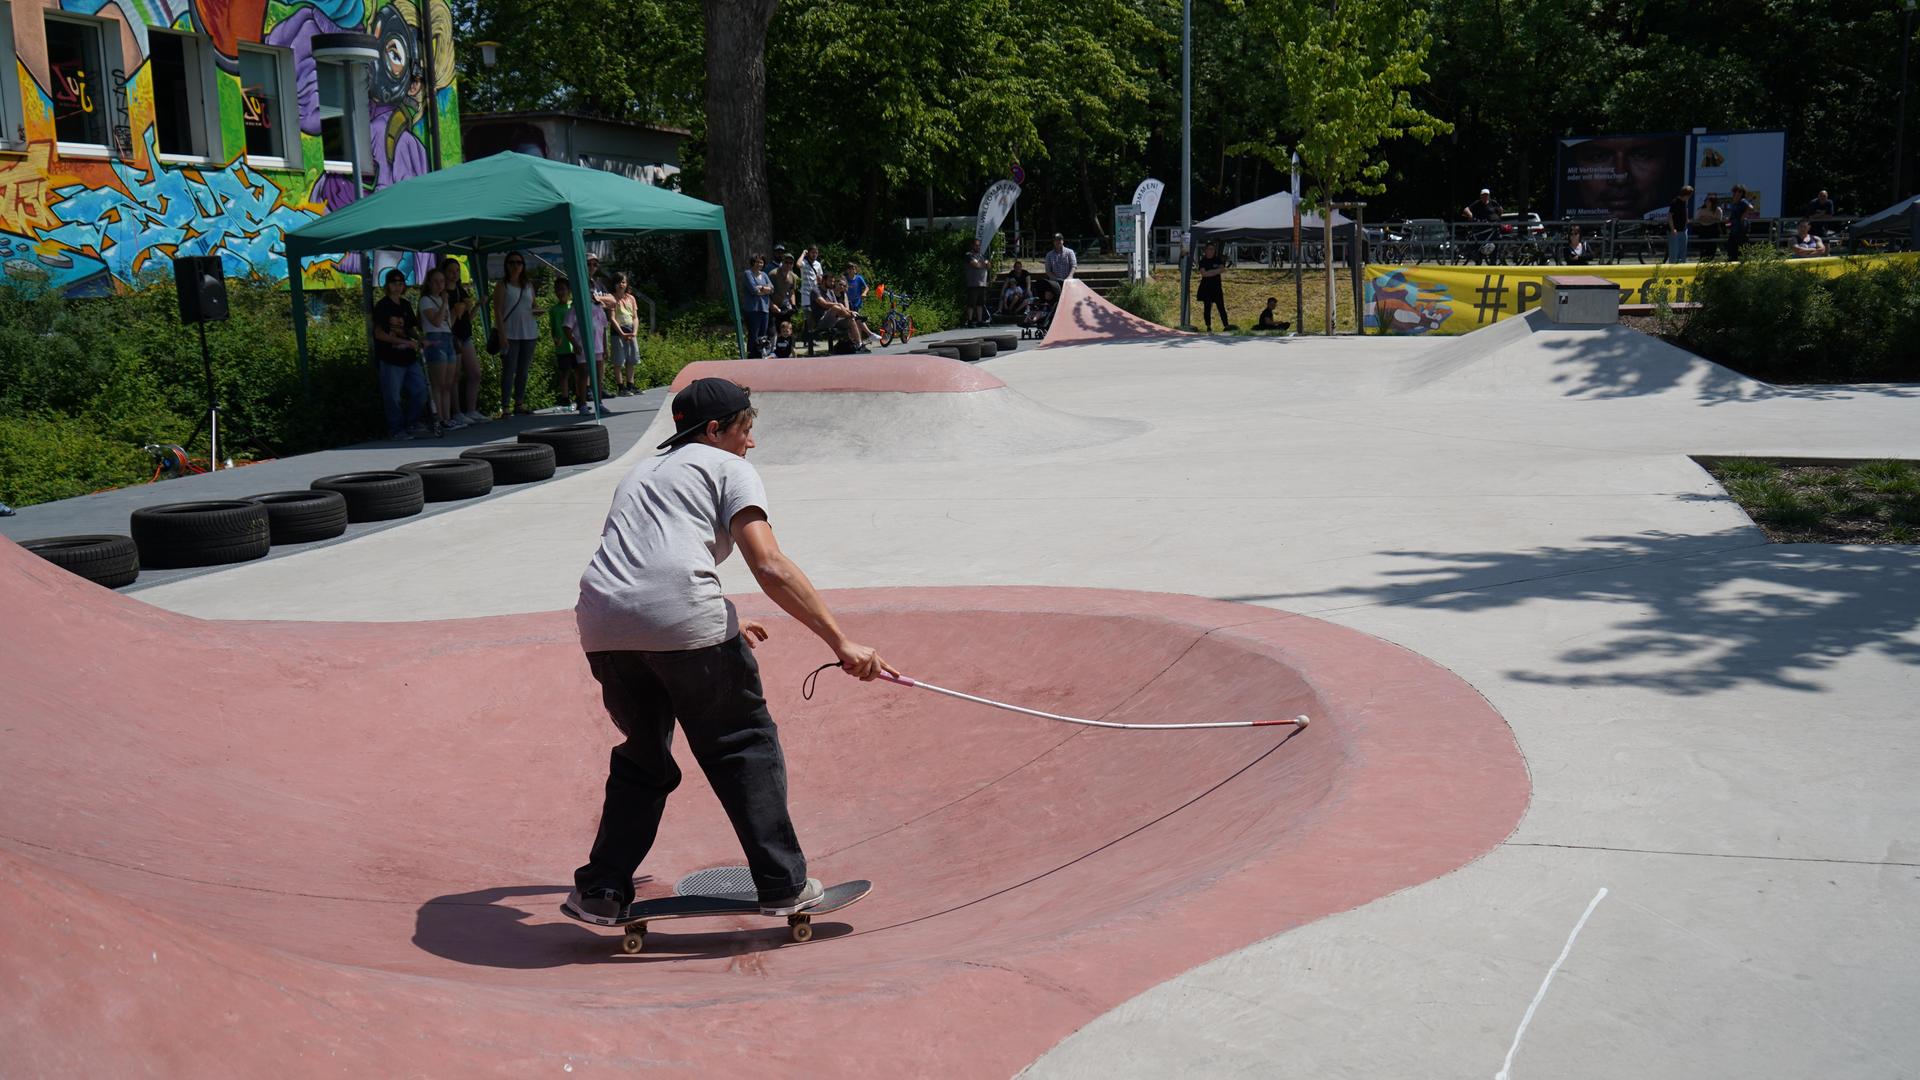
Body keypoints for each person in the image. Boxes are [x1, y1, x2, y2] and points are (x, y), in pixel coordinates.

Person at [565, 377, 897, 926]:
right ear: (715, 430)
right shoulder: (727, 467)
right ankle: (782, 884)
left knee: (644, 757)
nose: (752, 443)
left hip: (603, 625)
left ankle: (600, 889)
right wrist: (841, 642)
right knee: (743, 745)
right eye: (746, 429)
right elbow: (768, 564)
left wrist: (717, 625)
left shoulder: (639, 472)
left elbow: (651, 560)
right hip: (681, 623)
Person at [371, 268, 429, 440]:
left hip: (409, 357)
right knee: (393, 396)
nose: (397, 287)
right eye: (393, 283)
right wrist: (404, 342)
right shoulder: (382, 306)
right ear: (387, 286)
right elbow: (379, 334)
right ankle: (396, 429)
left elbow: (409, 327)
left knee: (420, 390)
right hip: (390, 358)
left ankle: (412, 422)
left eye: (400, 283)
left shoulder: (405, 305)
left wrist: (419, 339)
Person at [417, 267, 465, 431]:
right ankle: (439, 418)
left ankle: (447, 416)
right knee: (438, 383)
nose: (439, 285)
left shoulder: (441, 300)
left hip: (447, 337)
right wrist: (445, 302)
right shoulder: (426, 300)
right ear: (429, 283)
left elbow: (448, 322)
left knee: (448, 382)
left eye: (442, 282)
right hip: (435, 339)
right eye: (436, 281)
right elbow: (436, 322)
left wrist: (454, 310)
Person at [492, 251, 538, 416]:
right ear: (506, 265)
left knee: (523, 371)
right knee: (508, 371)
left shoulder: (528, 285)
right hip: (510, 333)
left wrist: (537, 310)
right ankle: (505, 406)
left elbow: (534, 305)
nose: (515, 266)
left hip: (529, 332)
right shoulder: (502, 285)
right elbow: (497, 311)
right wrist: (502, 335)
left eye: (519, 262)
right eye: (512, 262)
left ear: (523, 266)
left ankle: (519, 403)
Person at [445, 261, 487, 425]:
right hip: (452, 337)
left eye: (457, 270)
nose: (454, 274)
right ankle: (456, 412)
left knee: (475, 373)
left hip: (465, 335)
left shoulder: (460, 291)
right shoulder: (444, 294)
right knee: (454, 376)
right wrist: (455, 310)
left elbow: (467, 319)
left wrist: (477, 305)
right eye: (450, 271)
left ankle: (471, 409)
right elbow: (447, 321)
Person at [548, 276, 588, 414]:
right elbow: (553, 328)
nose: (560, 292)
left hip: (576, 345)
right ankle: (565, 398)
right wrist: (555, 339)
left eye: (563, 289)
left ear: (569, 291)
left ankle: (580, 396)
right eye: (557, 289)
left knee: (579, 372)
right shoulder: (554, 310)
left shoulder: (573, 306)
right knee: (564, 372)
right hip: (563, 346)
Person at [607, 273, 640, 399]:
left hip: (631, 331)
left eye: (624, 282)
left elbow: (635, 317)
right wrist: (621, 333)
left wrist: (635, 331)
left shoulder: (631, 298)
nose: (621, 285)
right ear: (614, 284)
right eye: (619, 282)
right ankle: (621, 387)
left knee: (632, 359)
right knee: (619, 361)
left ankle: (630, 385)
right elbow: (612, 318)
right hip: (618, 332)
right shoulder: (612, 298)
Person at [1194, 240, 1229, 332]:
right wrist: (1215, 271)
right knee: (1207, 308)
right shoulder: (1203, 261)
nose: (1211, 251)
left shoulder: (1217, 259)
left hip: (1217, 288)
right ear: (1205, 250)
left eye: (1213, 249)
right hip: (1206, 288)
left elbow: (1222, 269)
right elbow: (1203, 273)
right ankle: (1208, 326)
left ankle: (1226, 325)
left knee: (1221, 307)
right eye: (1209, 249)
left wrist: (1210, 272)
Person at [743, 256, 774, 358]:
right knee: (753, 334)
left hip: (764, 309)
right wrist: (766, 290)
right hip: (752, 309)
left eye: (761, 262)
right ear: (753, 263)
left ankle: (760, 354)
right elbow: (753, 290)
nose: (759, 264)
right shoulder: (748, 273)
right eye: (757, 262)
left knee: (763, 335)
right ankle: (751, 356)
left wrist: (761, 288)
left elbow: (772, 289)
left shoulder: (764, 275)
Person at [798, 245, 822, 356]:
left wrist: (820, 280)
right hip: (806, 295)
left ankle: (810, 339)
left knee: (813, 317)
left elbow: (820, 279)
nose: (814, 254)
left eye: (816, 253)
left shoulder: (818, 265)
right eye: (812, 252)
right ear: (809, 253)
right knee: (808, 317)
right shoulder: (804, 262)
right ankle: (808, 340)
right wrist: (803, 253)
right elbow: (797, 264)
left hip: (815, 295)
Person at [1041, 233, 1076, 306]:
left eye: (1059, 240)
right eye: (1056, 240)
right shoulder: (1049, 255)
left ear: (1063, 241)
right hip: (1054, 282)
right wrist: (1055, 280)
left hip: (1067, 280)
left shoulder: (1070, 252)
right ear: (1053, 242)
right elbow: (1048, 270)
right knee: (1048, 295)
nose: (1058, 242)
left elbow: (1074, 266)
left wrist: (1070, 276)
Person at [964, 239, 991, 327]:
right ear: (972, 246)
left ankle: (980, 321)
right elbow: (976, 265)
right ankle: (970, 320)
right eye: (976, 245)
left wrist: (984, 263)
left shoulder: (982, 255)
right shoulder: (969, 255)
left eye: (979, 245)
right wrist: (984, 264)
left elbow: (989, 266)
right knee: (971, 303)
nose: (978, 247)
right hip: (973, 283)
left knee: (980, 303)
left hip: (982, 283)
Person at [1726, 185, 1756, 260]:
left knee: (1742, 251)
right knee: (1731, 250)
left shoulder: (1743, 201)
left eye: (1740, 192)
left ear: (1742, 193)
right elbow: (1732, 216)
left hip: (1741, 229)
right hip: (1733, 229)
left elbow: (1751, 208)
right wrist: (1728, 222)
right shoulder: (1734, 203)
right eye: (1736, 191)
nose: (1737, 193)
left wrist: (1744, 215)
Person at [769, 254, 798, 333]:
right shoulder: (773, 274)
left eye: (790, 263)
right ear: (782, 262)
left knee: (786, 331)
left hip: (786, 308)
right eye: (786, 262)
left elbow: (792, 292)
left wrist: (793, 305)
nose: (788, 265)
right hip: (774, 307)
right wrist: (771, 305)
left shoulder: (793, 276)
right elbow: (768, 293)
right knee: (774, 332)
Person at [1692, 194, 1725, 261]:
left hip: (1713, 229)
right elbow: (1696, 219)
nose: (1706, 202)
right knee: (1703, 247)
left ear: (1713, 202)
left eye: (1708, 201)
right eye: (1706, 201)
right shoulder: (1701, 209)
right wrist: (1706, 219)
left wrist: (1709, 219)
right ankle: (1702, 261)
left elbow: (1719, 219)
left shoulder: (1718, 210)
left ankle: (1709, 261)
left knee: (1712, 248)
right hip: (1703, 229)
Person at [1666, 185, 1693, 264]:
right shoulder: (1675, 202)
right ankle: (1671, 272)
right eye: (1690, 195)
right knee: (1674, 254)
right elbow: (1670, 216)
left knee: (1682, 254)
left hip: (1683, 230)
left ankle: (1681, 272)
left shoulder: (1684, 201)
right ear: (1686, 195)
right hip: (1675, 232)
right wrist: (1672, 229)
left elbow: (1686, 209)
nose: (1690, 197)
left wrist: (1687, 219)